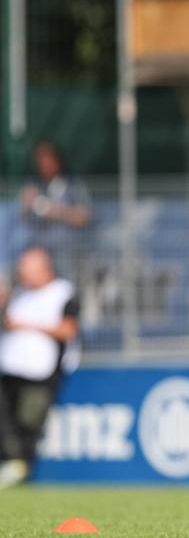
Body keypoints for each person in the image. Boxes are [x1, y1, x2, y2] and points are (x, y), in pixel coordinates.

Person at [0, 247, 80, 488]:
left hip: (41, 373)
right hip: (9, 369)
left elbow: (68, 330)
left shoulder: (63, 292)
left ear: (44, 266)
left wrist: (26, 325)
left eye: (26, 265)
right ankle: (11, 466)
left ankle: (20, 471)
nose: (20, 269)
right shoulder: (19, 295)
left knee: (28, 424)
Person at [20, 141, 92, 283]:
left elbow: (85, 217)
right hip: (41, 252)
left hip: (67, 252)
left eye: (49, 161)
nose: (46, 166)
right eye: (41, 162)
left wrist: (56, 211)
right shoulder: (34, 185)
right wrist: (27, 203)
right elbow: (23, 216)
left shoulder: (73, 185)